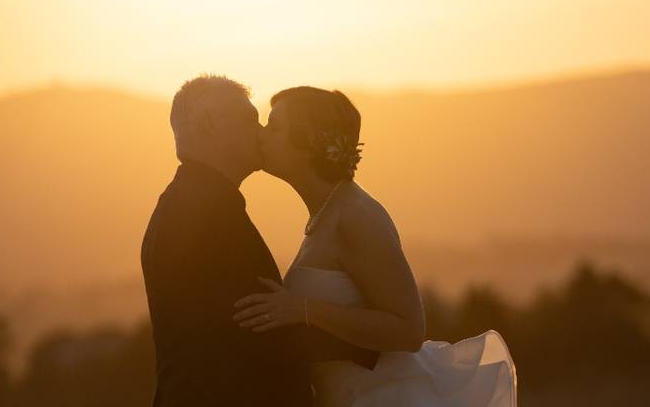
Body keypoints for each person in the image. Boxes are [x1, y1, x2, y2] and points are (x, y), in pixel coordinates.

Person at [233, 86, 517, 406]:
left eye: (274, 126)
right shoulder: (328, 212)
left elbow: (409, 330)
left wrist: (303, 309)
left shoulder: (356, 215)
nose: (261, 134)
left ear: (309, 142)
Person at [141, 76, 376, 407]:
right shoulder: (207, 211)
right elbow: (261, 330)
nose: (261, 132)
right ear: (211, 124)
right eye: (251, 119)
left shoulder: (189, 202)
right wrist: (375, 344)